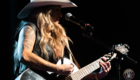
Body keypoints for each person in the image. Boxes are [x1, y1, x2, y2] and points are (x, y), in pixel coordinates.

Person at [13, 0, 111, 80]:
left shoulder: (59, 36)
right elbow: (25, 55)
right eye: (57, 10)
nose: (61, 15)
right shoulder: (29, 27)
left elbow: (76, 75)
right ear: (45, 11)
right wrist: (58, 69)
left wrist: (97, 76)